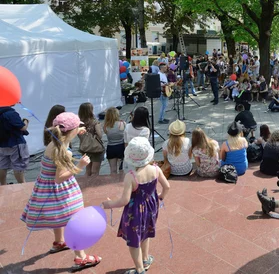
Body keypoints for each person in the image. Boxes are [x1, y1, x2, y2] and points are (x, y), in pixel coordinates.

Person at [21, 112, 102, 270]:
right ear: (70, 131)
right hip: (61, 192)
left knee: (60, 217)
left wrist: (76, 131)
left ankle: (59, 242)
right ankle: (81, 258)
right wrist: (80, 166)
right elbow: (60, 178)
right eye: (77, 127)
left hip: (46, 190)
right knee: (75, 222)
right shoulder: (64, 151)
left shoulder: (54, 143)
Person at [102, 137, 170, 274]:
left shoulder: (131, 176)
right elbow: (167, 186)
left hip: (135, 212)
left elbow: (124, 200)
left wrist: (109, 204)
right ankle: (145, 259)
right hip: (152, 207)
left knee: (134, 241)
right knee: (145, 233)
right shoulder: (156, 169)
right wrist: (161, 196)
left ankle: (139, 269)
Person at [0, 104, 30, 185]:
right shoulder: (11, 113)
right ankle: (22, 185)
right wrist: (26, 121)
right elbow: (22, 128)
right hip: (16, 143)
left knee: (2, 166)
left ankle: (3, 185)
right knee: (18, 166)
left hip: (2, 144)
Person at [77, 102, 104, 176]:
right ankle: (94, 186)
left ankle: (86, 186)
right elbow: (100, 135)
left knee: (88, 171)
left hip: (84, 148)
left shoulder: (79, 123)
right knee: (95, 171)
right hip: (96, 149)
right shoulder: (95, 122)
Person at [103, 107, 126, 174]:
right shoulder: (123, 123)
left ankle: (113, 182)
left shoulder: (105, 126)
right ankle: (122, 183)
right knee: (122, 169)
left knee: (113, 170)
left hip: (111, 147)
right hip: (121, 147)